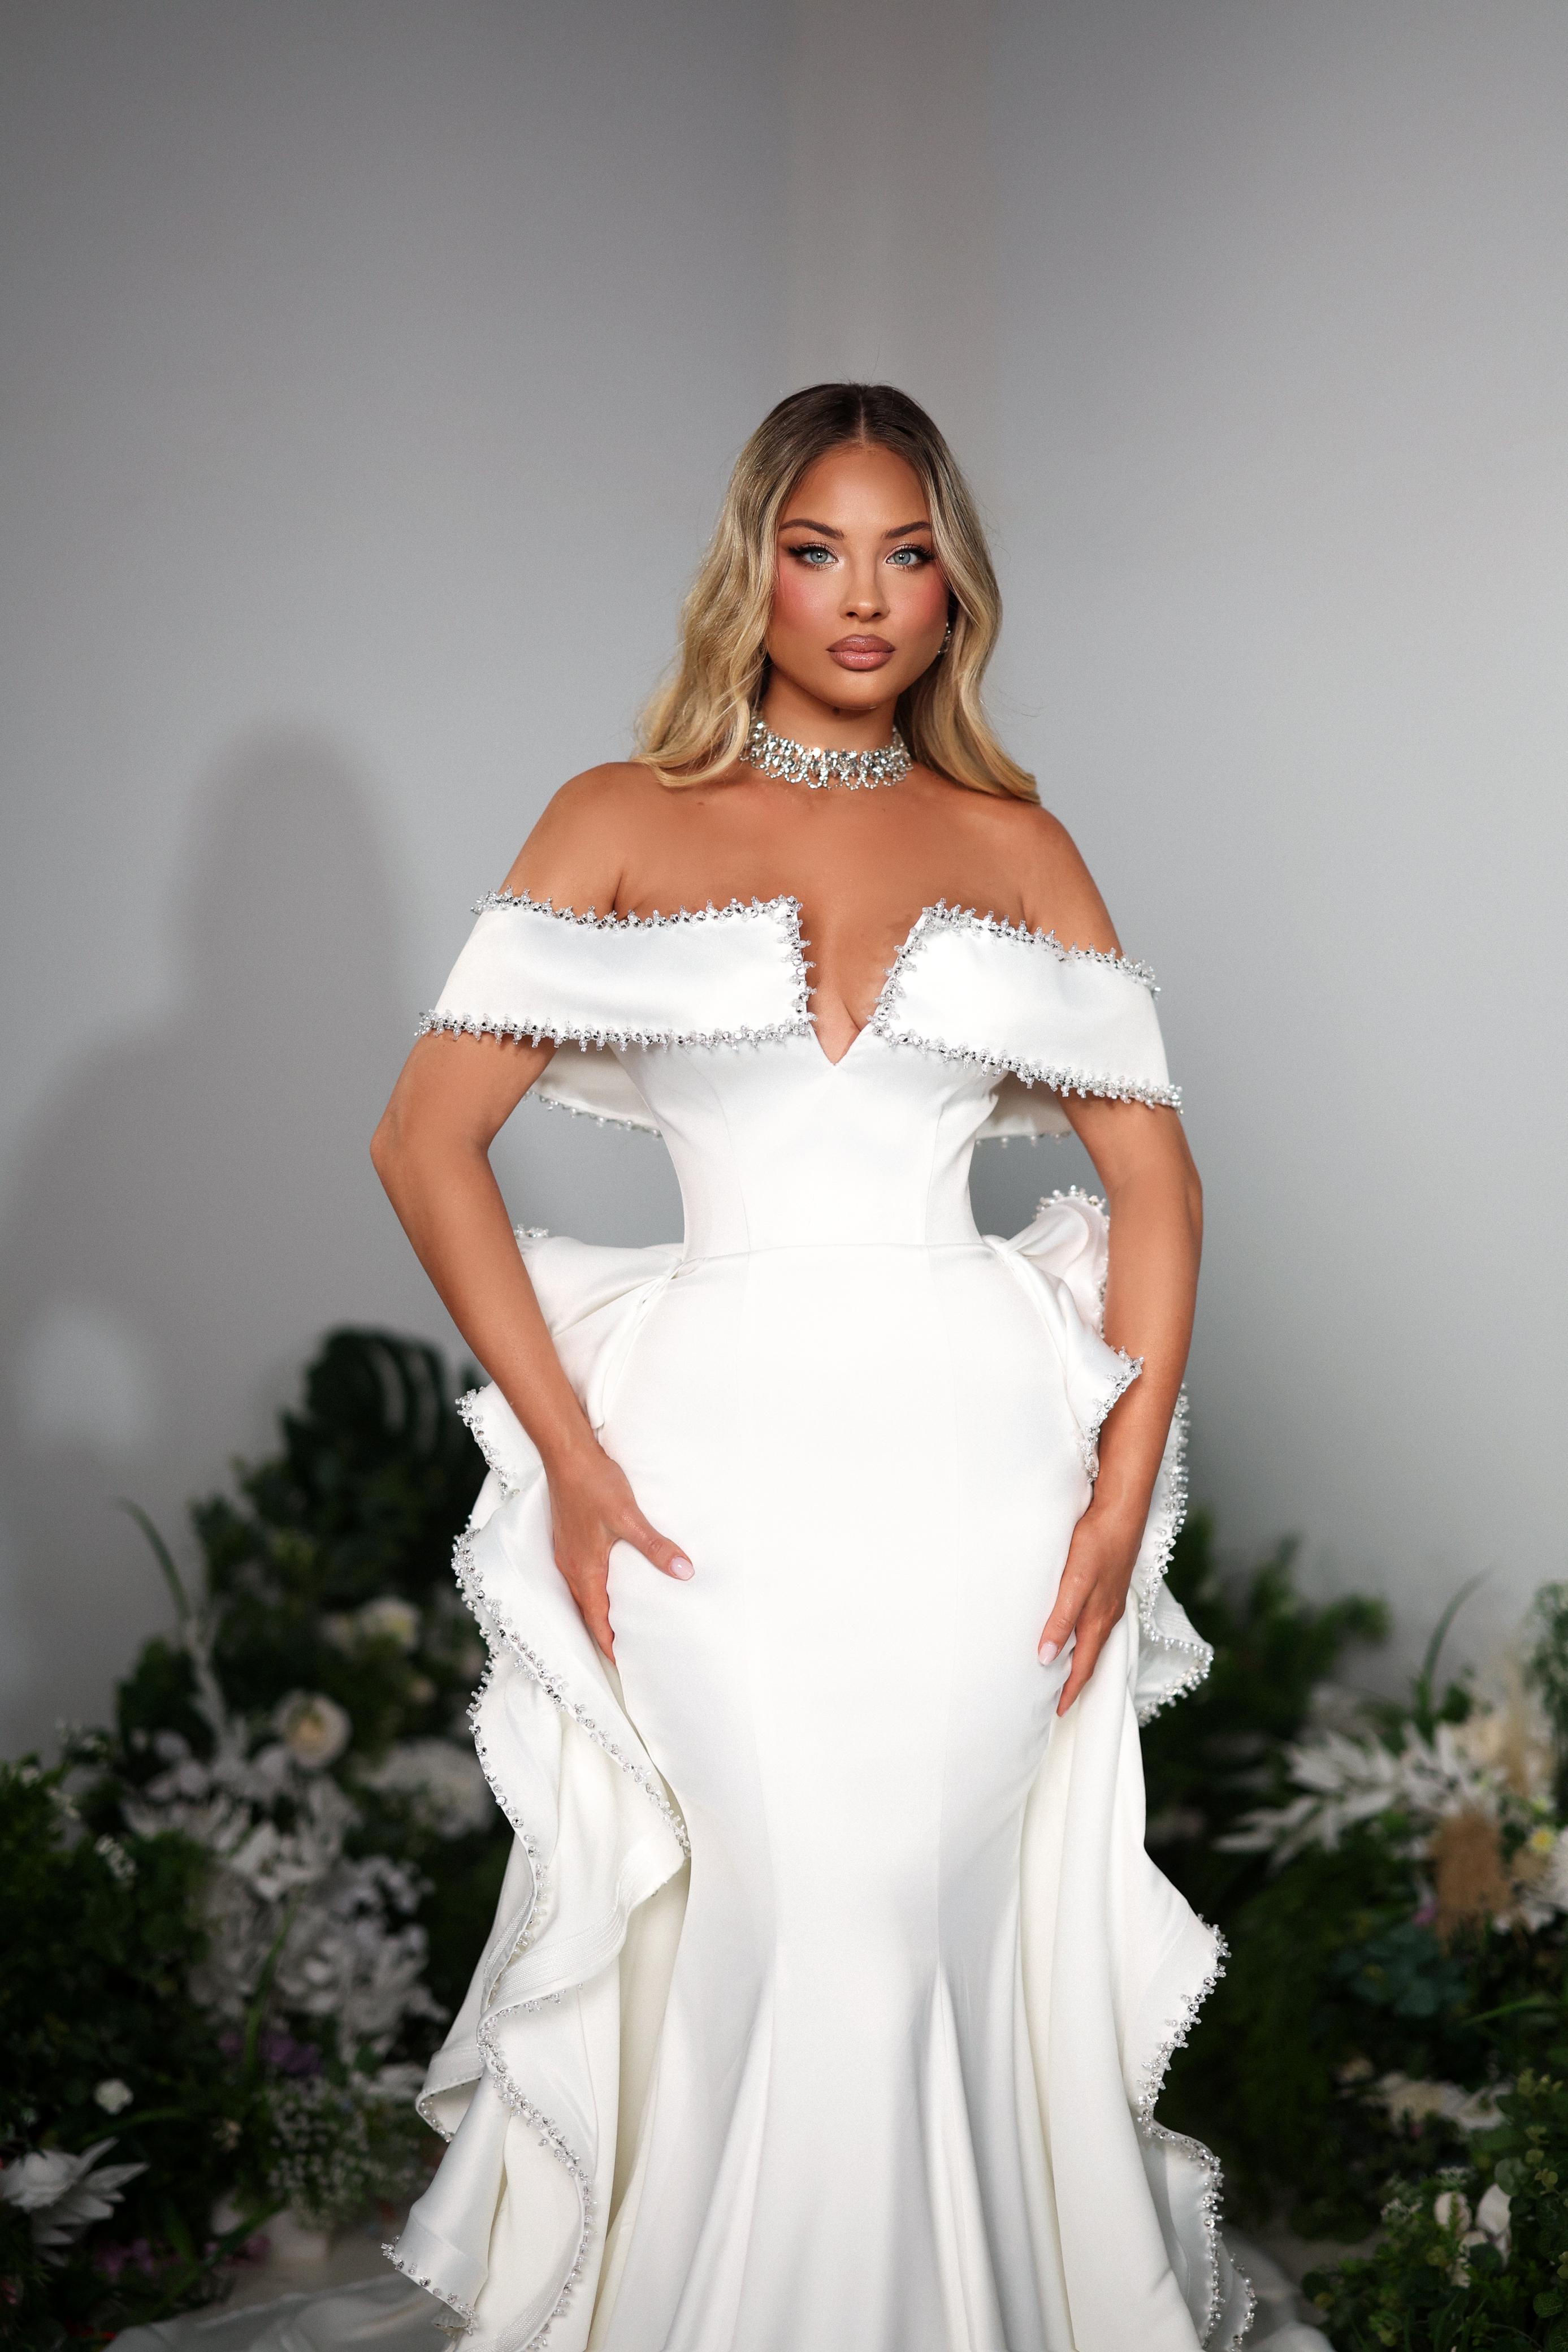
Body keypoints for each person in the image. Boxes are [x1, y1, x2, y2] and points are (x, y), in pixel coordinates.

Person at [370, 382, 1251, 2352]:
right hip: (711, 1481)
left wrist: (1117, 1492)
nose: (864, 598)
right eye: (818, 547)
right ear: (752, 565)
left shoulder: (1019, 840)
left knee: (910, 1932)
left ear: (956, 589)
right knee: (791, 1923)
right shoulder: (616, 817)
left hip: (976, 1479)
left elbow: (1160, 1175)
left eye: (908, 551)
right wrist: (575, 1462)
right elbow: (426, 1139)